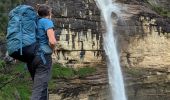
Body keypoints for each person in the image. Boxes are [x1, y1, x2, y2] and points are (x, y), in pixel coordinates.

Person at [27, 4, 57, 100]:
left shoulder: (34, 22)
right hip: (43, 58)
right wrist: (52, 50)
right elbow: (52, 41)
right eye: (51, 12)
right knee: (39, 91)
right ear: (49, 13)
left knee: (42, 88)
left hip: (31, 58)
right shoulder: (47, 22)